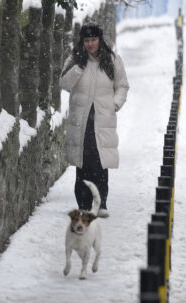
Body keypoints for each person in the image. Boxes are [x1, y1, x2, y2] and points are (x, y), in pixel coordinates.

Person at [60, 21, 129, 218]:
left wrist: (115, 105)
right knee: (82, 163)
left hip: (102, 118)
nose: (90, 44)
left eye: (93, 40)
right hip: (80, 120)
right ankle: (83, 204)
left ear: (100, 40)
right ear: (82, 41)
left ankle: (101, 203)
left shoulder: (112, 60)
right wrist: (78, 67)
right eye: (87, 40)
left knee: (99, 161)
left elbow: (122, 86)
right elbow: (63, 83)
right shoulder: (74, 59)